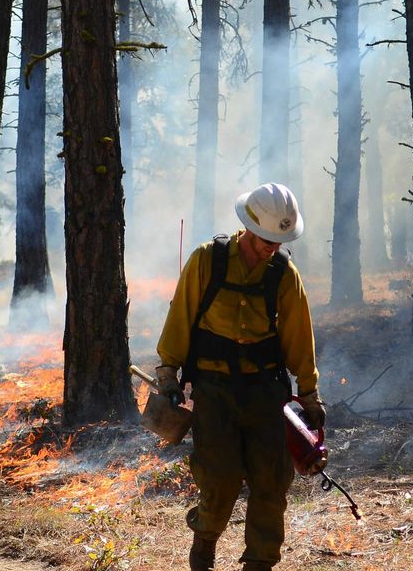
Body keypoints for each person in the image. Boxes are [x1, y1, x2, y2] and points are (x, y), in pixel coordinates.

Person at [155, 183, 325, 571]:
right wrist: (168, 372)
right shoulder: (207, 261)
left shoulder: (284, 274)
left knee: (272, 480)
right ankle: (203, 548)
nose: (272, 247)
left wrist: (310, 394)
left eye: (279, 240)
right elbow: (180, 318)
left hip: (266, 391)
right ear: (249, 227)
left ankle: (260, 563)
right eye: (267, 238)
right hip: (214, 390)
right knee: (220, 478)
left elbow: (300, 337)